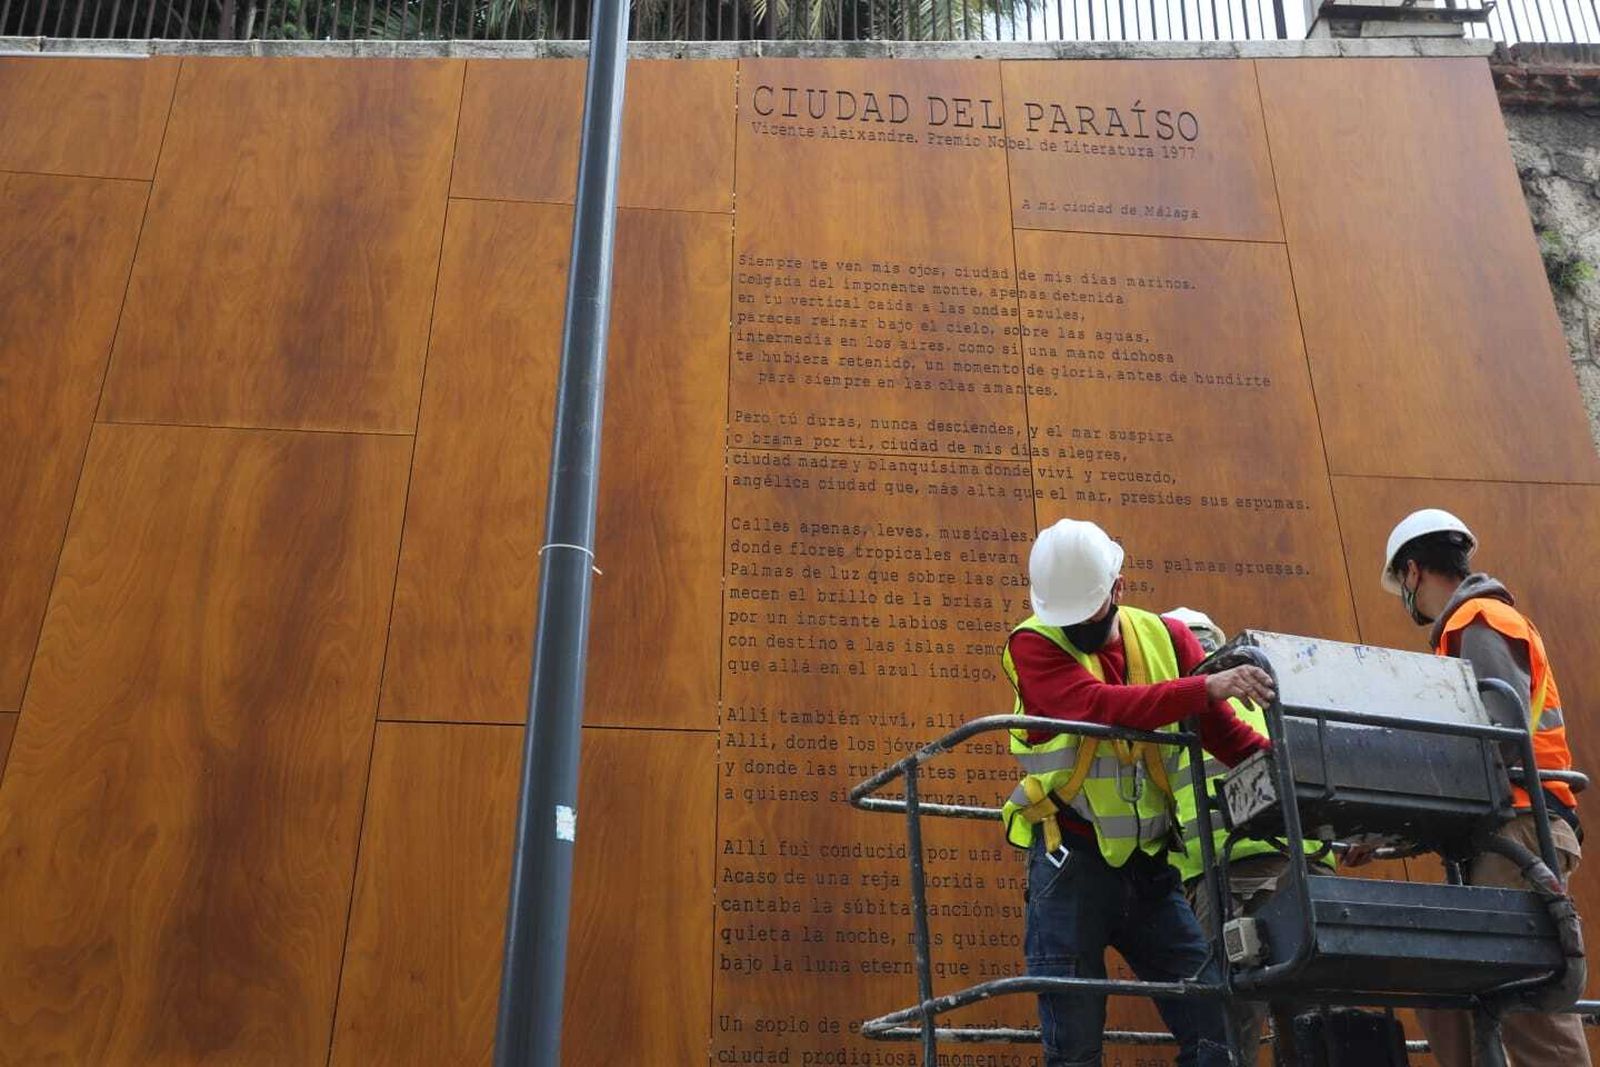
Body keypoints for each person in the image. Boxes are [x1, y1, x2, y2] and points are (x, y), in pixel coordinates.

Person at [1000, 519, 1277, 1067]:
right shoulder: (1032, 643)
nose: (1074, 626)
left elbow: (1224, 736)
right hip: (1070, 860)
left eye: (1087, 612)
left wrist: (1301, 778)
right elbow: (1097, 706)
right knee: (1074, 1046)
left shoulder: (1167, 639)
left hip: (1149, 870)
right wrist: (1206, 685)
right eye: (1065, 616)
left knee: (1215, 1029)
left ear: (1118, 589)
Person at [1378, 508, 1589, 1067]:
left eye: (1402, 582)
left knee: (1525, 1003)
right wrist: (1394, 831)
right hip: (1505, 830)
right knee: (1448, 984)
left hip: (1519, 826)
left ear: (1413, 571)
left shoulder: (1479, 619)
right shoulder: (1468, 627)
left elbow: (1498, 737)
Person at [1164, 607, 1338, 1061]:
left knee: (1227, 1024)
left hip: (1225, 876)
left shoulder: (1171, 707)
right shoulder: (1271, 694)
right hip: (1306, 868)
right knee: (1312, 1017)